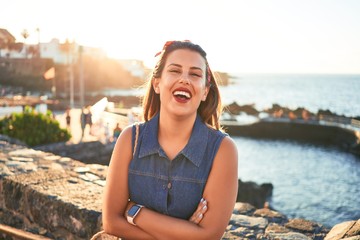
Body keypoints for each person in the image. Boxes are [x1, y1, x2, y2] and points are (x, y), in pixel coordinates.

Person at [102, 40, 238, 239]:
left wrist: (135, 212)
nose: (184, 79)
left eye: (195, 74)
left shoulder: (223, 149)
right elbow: (111, 222)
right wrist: (183, 233)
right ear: (157, 83)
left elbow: (208, 236)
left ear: (205, 91)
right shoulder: (130, 139)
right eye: (175, 71)